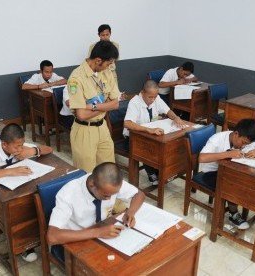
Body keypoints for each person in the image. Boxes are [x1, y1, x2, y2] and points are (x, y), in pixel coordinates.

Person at [0, 123, 52, 262]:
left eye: (22, 144)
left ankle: (40, 236)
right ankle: (25, 246)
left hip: (15, 188)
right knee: (18, 211)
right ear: (4, 144)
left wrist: (34, 151)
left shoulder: (19, 145)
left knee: (36, 201)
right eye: (17, 147)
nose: (20, 149)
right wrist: (10, 171)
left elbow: (48, 149)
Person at [47, 162, 145, 263]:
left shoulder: (110, 183)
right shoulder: (68, 194)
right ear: (92, 185)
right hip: (74, 240)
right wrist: (98, 232)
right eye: (106, 195)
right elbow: (52, 236)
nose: (110, 198)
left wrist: (130, 212)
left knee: (132, 259)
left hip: (101, 232)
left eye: (114, 194)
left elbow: (139, 195)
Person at [199, 119, 255, 229]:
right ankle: (233, 214)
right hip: (211, 173)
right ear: (236, 134)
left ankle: (250, 204)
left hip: (231, 170)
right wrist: (228, 154)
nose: (244, 146)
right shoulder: (217, 139)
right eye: (243, 143)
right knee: (234, 184)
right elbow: (202, 158)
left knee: (250, 180)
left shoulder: (246, 136)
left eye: (247, 144)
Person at [67, 40, 120, 172]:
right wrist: (105, 105)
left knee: (108, 171)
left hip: (102, 127)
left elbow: (115, 103)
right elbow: (82, 115)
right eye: (108, 63)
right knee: (86, 175)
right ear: (98, 60)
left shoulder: (106, 73)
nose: (109, 67)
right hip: (84, 131)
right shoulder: (76, 78)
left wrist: (92, 107)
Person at [123, 80, 185, 185]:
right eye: (150, 97)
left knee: (169, 145)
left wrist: (176, 117)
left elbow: (167, 111)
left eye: (155, 97)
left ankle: (165, 171)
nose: (153, 100)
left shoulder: (156, 98)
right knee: (151, 149)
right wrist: (149, 130)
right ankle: (153, 172)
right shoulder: (135, 102)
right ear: (142, 93)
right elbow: (127, 124)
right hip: (132, 139)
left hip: (150, 136)